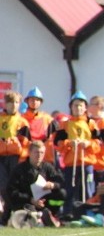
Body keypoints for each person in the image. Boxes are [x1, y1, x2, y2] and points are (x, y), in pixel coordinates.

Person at [53, 91, 104, 215]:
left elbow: (99, 144)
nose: (78, 108)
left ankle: (87, 214)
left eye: (81, 105)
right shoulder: (65, 125)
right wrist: (68, 144)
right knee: (70, 190)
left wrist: (88, 144)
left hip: (87, 164)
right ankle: (68, 214)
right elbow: (57, 144)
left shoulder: (91, 124)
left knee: (88, 190)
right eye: (76, 105)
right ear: (71, 107)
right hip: (71, 164)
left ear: (85, 107)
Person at [5, 140, 65, 227]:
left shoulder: (47, 167)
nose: (39, 155)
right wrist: (30, 199)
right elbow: (11, 191)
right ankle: (37, 218)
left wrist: (53, 185)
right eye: (36, 152)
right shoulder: (19, 169)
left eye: (42, 152)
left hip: (44, 201)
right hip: (26, 202)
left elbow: (60, 181)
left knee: (61, 193)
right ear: (29, 152)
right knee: (29, 211)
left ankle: (52, 214)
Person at [0, 91, 31, 224]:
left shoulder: (22, 122)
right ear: (5, 103)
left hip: (14, 157)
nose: (13, 105)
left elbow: (26, 143)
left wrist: (21, 156)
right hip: (1, 157)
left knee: (12, 186)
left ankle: (10, 213)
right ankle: (6, 213)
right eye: (10, 102)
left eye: (16, 102)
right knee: (3, 185)